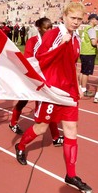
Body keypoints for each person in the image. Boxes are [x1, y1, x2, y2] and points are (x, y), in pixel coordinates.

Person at [14, 2, 93, 193]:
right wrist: (62, 44)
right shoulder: (53, 35)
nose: (76, 22)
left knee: (71, 130)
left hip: (69, 92)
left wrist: (78, 86)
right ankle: (21, 145)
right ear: (64, 16)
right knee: (41, 128)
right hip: (51, 91)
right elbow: (40, 59)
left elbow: (72, 65)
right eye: (73, 18)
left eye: (79, 19)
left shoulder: (76, 38)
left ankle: (71, 175)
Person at [9, 17, 63, 147]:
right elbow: (28, 60)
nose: (49, 30)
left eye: (51, 27)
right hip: (33, 78)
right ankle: (13, 122)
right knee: (23, 102)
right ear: (39, 28)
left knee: (49, 107)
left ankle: (55, 137)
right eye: (46, 27)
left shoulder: (54, 41)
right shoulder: (33, 41)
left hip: (47, 79)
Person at [78, 14, 98, 97]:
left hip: (83, 51)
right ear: (92, 20)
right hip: (89, 52)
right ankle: (84, 89)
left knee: (82, 71)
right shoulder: (91, 29)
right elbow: (93, 42)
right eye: (96, 19)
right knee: (86, 72)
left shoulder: (86, 28)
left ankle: (80, 87)